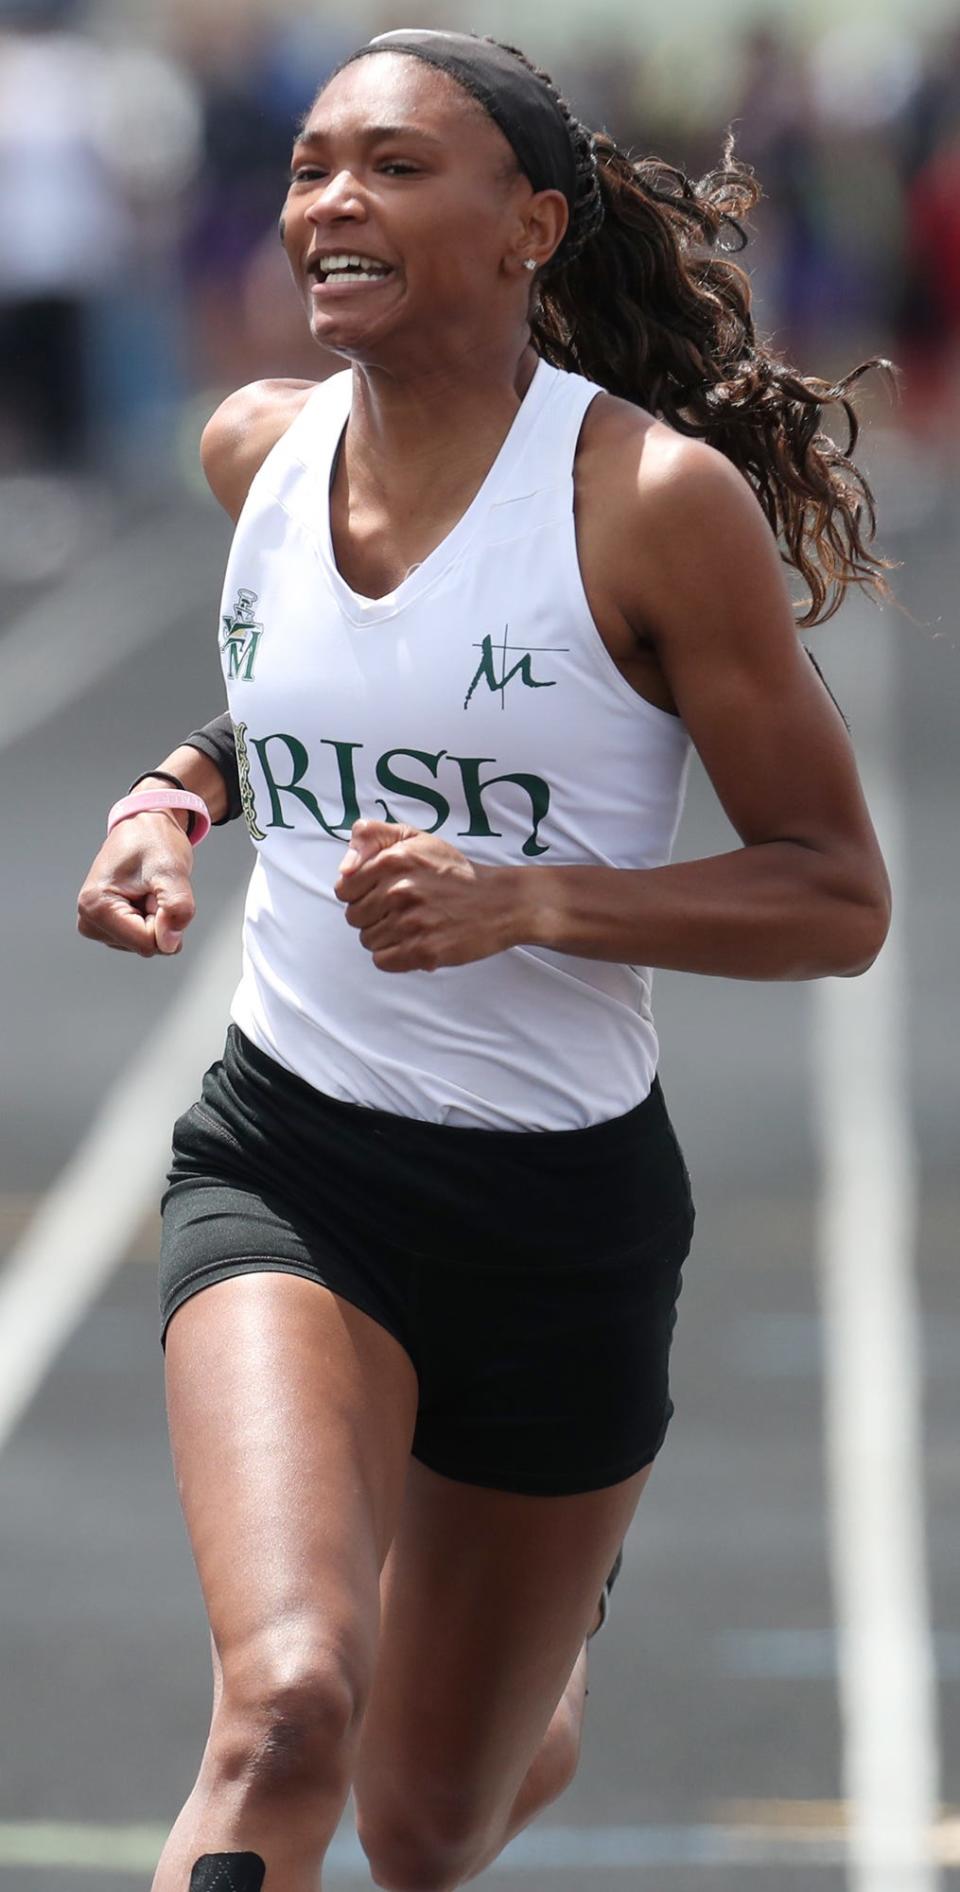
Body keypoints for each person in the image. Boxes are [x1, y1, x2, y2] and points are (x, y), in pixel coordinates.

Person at [77, 30, 894, 1892]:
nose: (329, 201)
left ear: (529, 224)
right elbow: (321, 689)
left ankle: (522, 1688)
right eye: (306, 167)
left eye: (389, 164)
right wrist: (171, 796)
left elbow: (837, 897)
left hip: (560, 1219)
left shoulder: (653, 505)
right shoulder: (255, 449)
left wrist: (535, 901)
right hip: (291, 1158)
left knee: (428, 1821)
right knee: (286, 1710)